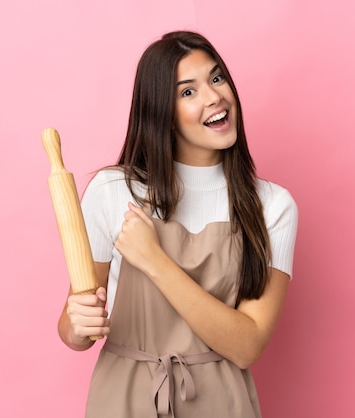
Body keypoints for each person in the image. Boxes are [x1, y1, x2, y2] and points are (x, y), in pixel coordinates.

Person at [57, 30, 298, 417]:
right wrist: (77, 324)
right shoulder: (113, 191)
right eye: (188, 92)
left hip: (221, 404)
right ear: (163, 115)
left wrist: (155, 260)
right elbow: (75, 327)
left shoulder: (272, 206)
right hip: (122, 401)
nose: (214, 96)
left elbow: (247, 344)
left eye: (216, 78)